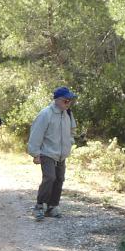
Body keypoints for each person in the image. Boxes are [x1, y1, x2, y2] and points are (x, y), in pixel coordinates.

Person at [28, 86, 78, 221]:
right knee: (50, 178)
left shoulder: (68, 113)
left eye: (70, 101)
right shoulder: (46, 114)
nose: (69, 103)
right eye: (66, 101)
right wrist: (35, 153)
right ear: (57, 100)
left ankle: (52, 207)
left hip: (62, 154)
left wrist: (70, 141)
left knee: (59, 179)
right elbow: (36, 134)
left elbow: (72, 130)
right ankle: (39, 207)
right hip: (47, 152)